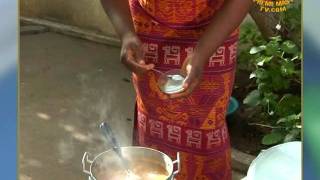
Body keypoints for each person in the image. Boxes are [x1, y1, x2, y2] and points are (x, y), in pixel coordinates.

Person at [101, 0, 252, 179]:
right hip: (148, 27)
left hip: (214, 29)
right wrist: (126, 33)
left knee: (204, 126)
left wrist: (202, 53)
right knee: (153, 121)